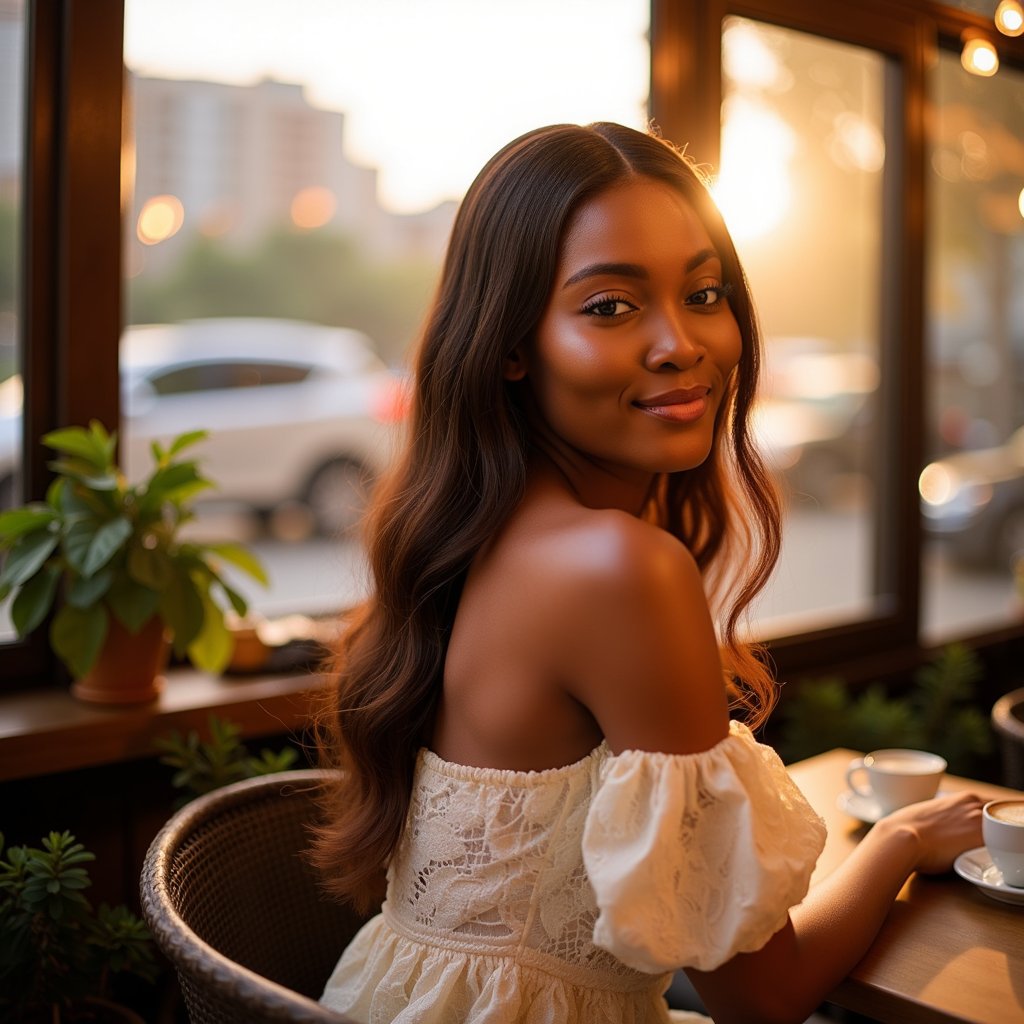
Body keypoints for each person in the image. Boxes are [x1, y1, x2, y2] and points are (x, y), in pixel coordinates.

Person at [312, 122, 983, 1024]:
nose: (682, 343)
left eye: (704, 293)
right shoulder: (619, 568)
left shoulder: (484, 529)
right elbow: (763, 994)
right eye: (610, 307)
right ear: (511, 346)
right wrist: (899, 842)